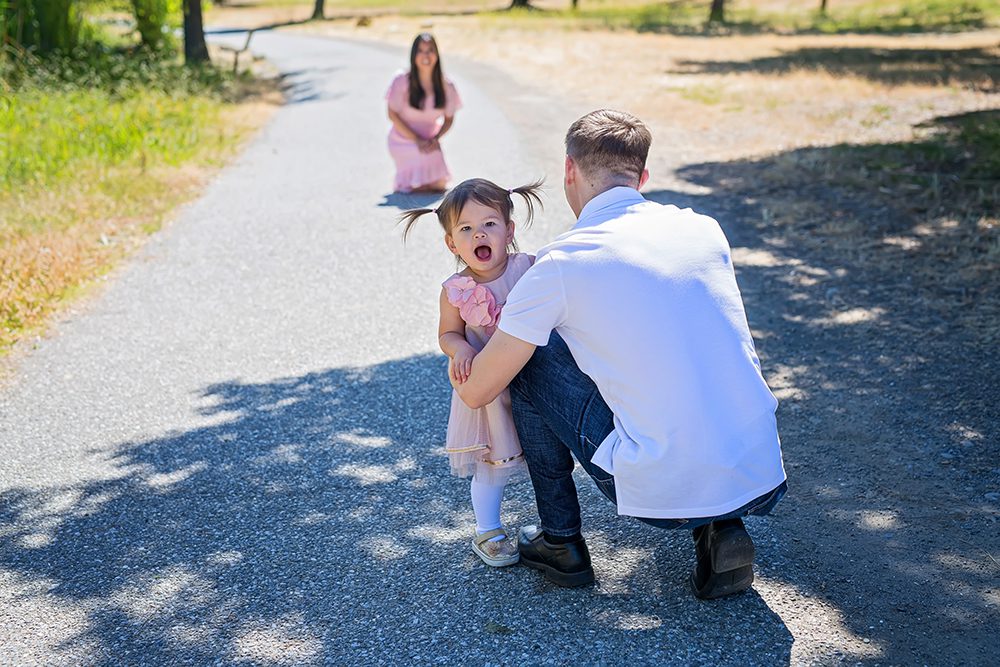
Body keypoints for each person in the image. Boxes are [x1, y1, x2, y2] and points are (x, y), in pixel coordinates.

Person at [449, 110, 788, 599]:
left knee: (526, 356)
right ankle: (722, 526)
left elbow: (479, 389)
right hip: (759, 472)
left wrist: (459, 348)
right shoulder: (703, 229)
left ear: (569, 170)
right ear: (641, 177)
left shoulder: (561, 262)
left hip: (662, 489)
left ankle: (561, 541)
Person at [400, 177, 545, 567]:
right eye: (465, 229)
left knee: (545, 456)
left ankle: (553, 526)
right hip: (488, 389)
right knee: (491, 465)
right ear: (452, 243)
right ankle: (488, 530)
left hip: (534, 378)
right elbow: (447, 333)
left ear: (509, 231)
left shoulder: (528, 268)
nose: (478, 234)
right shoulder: (456, 290)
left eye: (489, 224)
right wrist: (460, 347)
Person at [386, 33, 462, 194]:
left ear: (437, 54)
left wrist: (435, 139)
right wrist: (416, 139)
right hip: (403, 139)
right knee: (414, 185)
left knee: (439, 185)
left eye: (430, 50)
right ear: (414, 55)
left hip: (429, 140)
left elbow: (449, 119)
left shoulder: (447, 85)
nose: (426, 56)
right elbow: (392, 114)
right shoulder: (401, 80)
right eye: (421, 51)